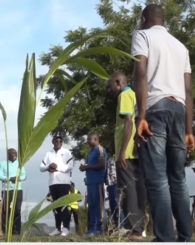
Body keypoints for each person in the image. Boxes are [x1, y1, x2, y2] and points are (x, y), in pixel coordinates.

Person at [132, 4, 194, 242]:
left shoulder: (142, 35)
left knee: (157, 178)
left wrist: (142, 115)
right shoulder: (181, 47)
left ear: (144, 18)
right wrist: (189, 130)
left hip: (155, 108)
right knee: (177, 177)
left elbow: (141, 73)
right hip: (179, 111)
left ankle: (165, 239)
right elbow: (188, 91)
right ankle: (186, 237)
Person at [107, 72, 146, 240]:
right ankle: (140, 228)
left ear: (118, 82)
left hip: (127, 153)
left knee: (127, 191)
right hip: (137, 152)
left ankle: (134, 230)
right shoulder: (135, 95)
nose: (109, 91)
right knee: (138, 191)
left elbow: (129, 122)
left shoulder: (124, 95)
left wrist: (122, 151)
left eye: (110, 87)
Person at [40, 135, 74, 236]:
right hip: (53, 183)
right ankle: (57, 228)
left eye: (60, 141)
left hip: (64, 183)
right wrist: (48, 167)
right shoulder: (48, 153)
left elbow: (70, 166)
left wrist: (57, 168)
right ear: (53, 142)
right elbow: (41, 167)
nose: (58, 142)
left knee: (63, 206)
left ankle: (66, 229)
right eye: (56, 141)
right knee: (55, 207)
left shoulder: (66, 152)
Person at [79, 132, 107, 235]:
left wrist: (87, 167)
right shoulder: (91, 151)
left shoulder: (100, 150)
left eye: (89, 139)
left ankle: (99, 228)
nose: (88, 141)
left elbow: (102, 164)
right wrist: (85, 167)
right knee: (92, 205)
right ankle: (92, 227)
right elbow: (92, 165)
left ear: (96, 139)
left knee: (98, 205)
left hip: (97, 182)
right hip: (90, 182)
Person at [0, 148, 26, 235]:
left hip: (18, 189)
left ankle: (16, 231)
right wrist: (9, 178)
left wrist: (18, 178)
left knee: (17, 210)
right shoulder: (2, 164)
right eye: (12, 153)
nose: (15, 155)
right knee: (5, 210)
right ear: (8, 154)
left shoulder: (20, 164)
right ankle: (5, 231)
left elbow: (24, 175)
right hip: (6, 190)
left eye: (16, 153)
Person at [105, 139, 127, 235]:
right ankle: (117, 226)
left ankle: (122, 226)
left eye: (113, 146)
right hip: (110, 185)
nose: (111, 148)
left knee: (118, 206)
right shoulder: (110, 159)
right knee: (112, 206)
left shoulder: (120, 158)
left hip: (117, 184)